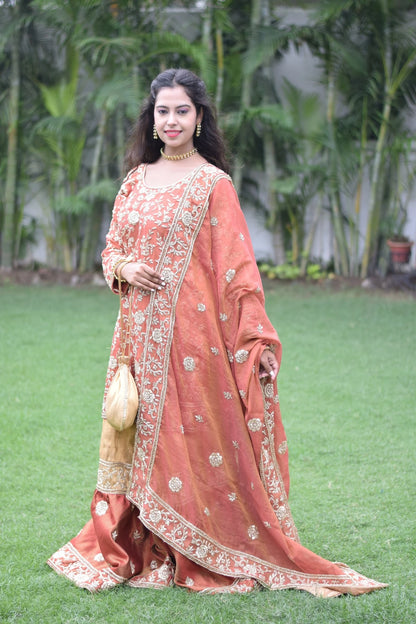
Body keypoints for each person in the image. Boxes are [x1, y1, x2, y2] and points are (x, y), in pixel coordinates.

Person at [48, 68, 386, 597]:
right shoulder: (135, 178)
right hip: (136, 338)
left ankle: (190, 548)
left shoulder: (213, 184)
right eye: (163, 111)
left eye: (183, 110)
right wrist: (125, 269)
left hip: (192, 341)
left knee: (192, 445)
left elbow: (237, 273)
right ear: (152, 119)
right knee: (132, 429)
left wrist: (255, 343)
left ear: (199, 117)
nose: (172, 120)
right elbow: (111, 247)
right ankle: (140, 544)